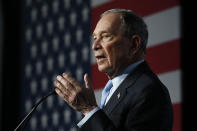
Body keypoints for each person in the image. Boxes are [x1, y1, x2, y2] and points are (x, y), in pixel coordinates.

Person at [54, 9, 173, 131]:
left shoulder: (148, 91)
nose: (94, 46)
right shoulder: (116, 89)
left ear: (134, 45)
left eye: (105, 36)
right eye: (95, 38)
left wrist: (89, 109)